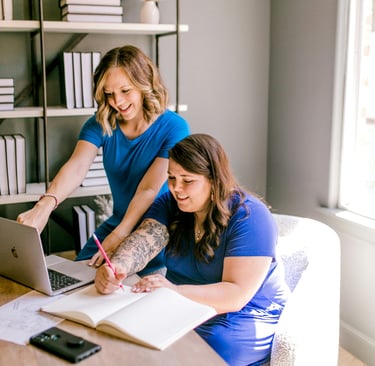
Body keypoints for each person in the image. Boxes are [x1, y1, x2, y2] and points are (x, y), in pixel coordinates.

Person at [95, 133, 290, 366]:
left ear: (215, 180)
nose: (176, 188)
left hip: (241, 316)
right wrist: (118, 266)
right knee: (128, 334)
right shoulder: (171, 203)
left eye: (187, 180)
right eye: (171, 178)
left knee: (206, 347)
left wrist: (174, 291)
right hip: (183, 306)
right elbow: (144, 240)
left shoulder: (251, 216)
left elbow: (236, 295)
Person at [17, 45, 190, 275]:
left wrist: (120, 235)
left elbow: (149, 189)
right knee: (72, 280)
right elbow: (76, 167)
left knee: (113, 289)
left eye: (125, 90)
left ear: (144, 84)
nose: (117, 101)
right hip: (119, 222)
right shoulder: (100, 123)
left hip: (157, 230)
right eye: (109, 94)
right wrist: (44, 206)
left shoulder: (174, 127)